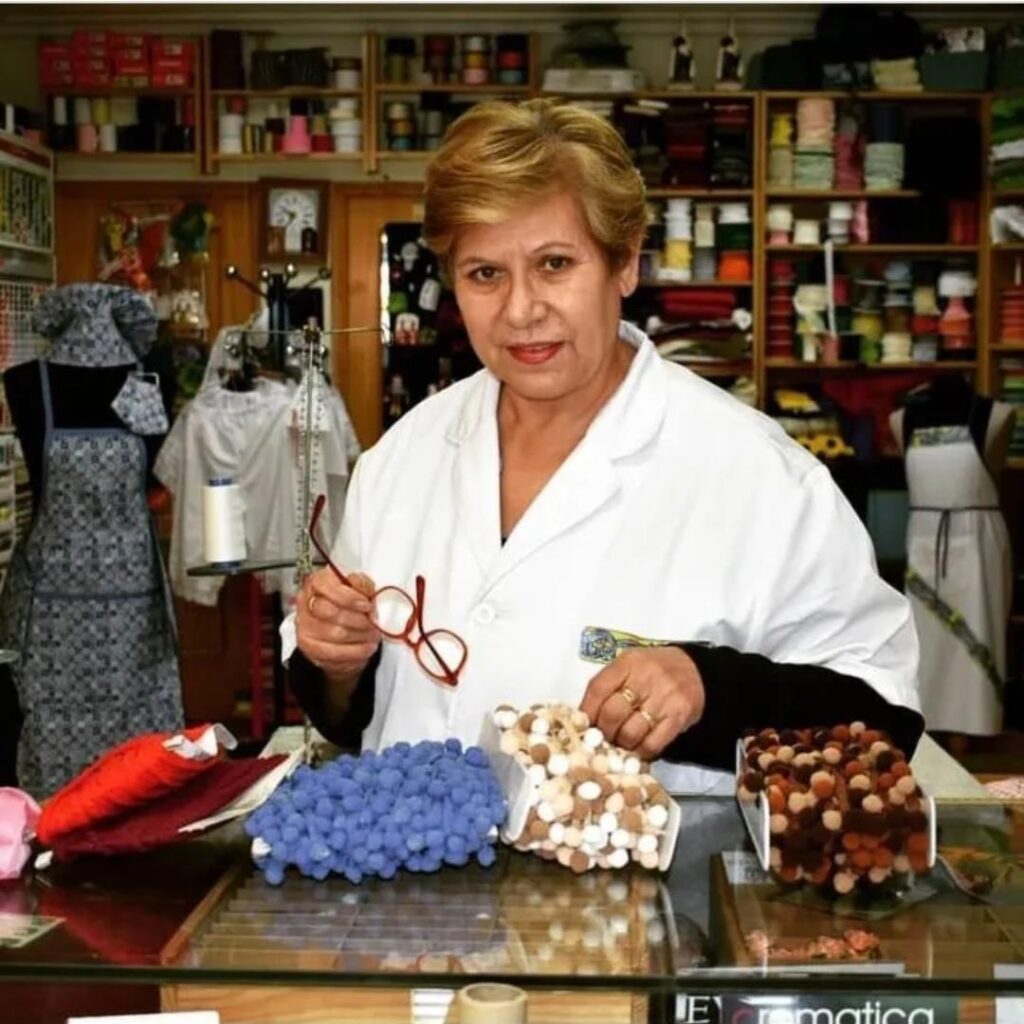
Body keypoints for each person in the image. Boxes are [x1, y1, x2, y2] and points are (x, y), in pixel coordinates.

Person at [286, 99, 923, 794]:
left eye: (555, 263)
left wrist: (712, 685)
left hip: (649, 897)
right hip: (416, 890)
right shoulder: (400, 461)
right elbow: (351, 718)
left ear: (624, 263)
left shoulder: (760, 478)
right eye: (484, 274)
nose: (521, 309)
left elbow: (883, 717)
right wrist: (337, 664)